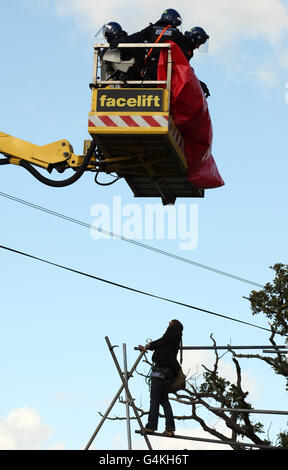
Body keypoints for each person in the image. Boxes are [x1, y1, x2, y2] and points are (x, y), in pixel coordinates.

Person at [139, 319, 183, 437]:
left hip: (160, 370)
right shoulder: (175, 339)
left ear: (173, 325)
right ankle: (170, 428)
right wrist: (149, 346)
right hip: (168, 372)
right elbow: (163, 342)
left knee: (154, 399)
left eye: (170, 323)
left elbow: (162, 341)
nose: (168, 324)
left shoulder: (171, 332)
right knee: (164, 401)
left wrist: (150, 345)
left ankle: (151, 426)